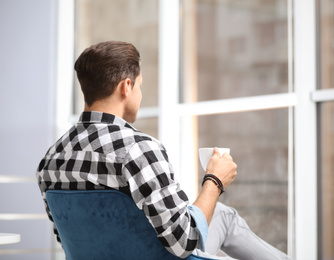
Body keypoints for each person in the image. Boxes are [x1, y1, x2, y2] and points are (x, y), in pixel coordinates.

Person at [36, 41, 291, 260]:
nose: (139, 93)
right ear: (126, 87)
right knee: (222, 215)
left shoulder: (50, 159)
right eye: (139, 86)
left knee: (218, 216)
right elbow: (183, 242)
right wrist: (214, 181)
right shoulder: (138, 149)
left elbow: (73, 239)